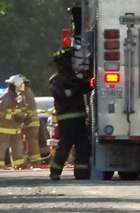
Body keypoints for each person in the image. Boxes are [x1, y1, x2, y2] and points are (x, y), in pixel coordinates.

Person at [48, 47, 92, 181]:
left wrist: (90, 83)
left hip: (79, 118)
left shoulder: (72, 78)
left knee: (83, 145)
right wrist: (76, 90)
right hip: (67, 119)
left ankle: (82, 173)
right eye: (68, 61)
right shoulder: (56, 80)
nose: (71, 64)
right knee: (65, 145)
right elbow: (62, 94)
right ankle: (55, 172)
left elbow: (84, 87)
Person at [0, 75, 27, 169]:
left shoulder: (17, 97)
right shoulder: (5, 97)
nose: (21, 88)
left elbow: (17, 111)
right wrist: (13, 117)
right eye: (20, 85)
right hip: (4, 128)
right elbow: (1, 112)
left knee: (17, 146)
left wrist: (23, 117)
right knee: (1, 146)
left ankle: (18, 164)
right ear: (15, 85)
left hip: (15, 128)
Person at [18, 75, 42, 166]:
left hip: (26, 120)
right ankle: (36, 161)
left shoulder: (22, 93)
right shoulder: (29, 92)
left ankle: (23, 162)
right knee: (33, 142)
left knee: (19, 141)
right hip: (33, 120)